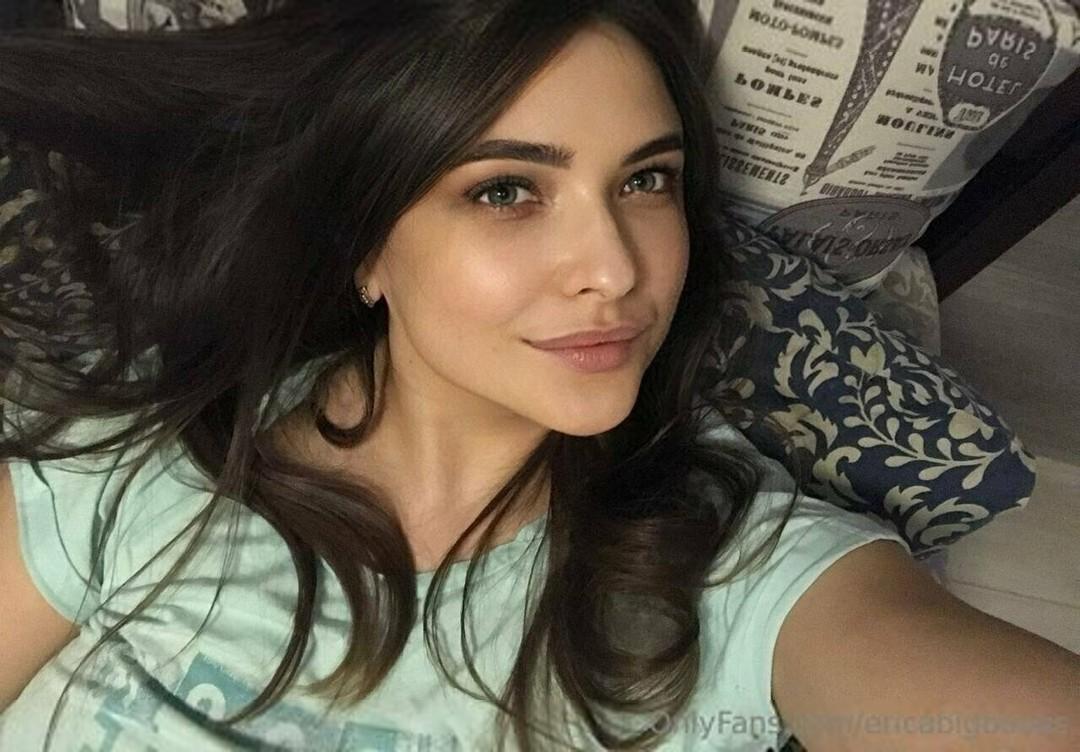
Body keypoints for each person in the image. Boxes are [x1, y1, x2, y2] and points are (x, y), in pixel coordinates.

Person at [0, 2, 1077, 750]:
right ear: (364, 245)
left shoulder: (732, 573)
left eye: (647, 180)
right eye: (507, 191)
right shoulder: (145, 453)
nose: (617, 269)